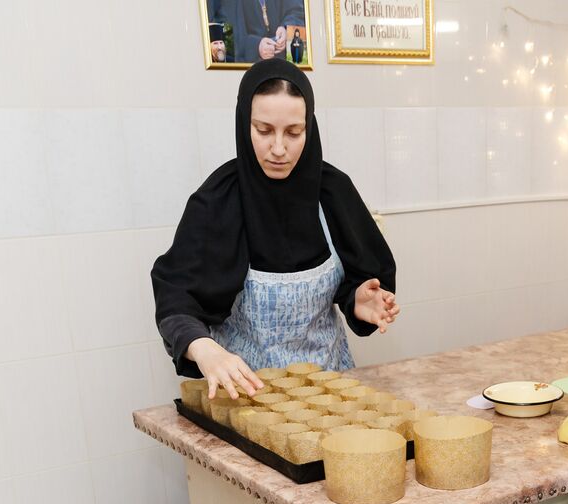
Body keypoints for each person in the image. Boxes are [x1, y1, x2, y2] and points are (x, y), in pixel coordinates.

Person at [152, 60, 398, 398]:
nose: (279, 148)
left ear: (309, 129)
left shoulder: (333, 192)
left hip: (333, 389)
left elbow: (359, 277)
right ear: (243, 124)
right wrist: (205, 349)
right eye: (264, 130)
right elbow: (176, 299)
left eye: (294, 132)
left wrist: (359, 299)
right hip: (244, 393)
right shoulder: (218, 200)